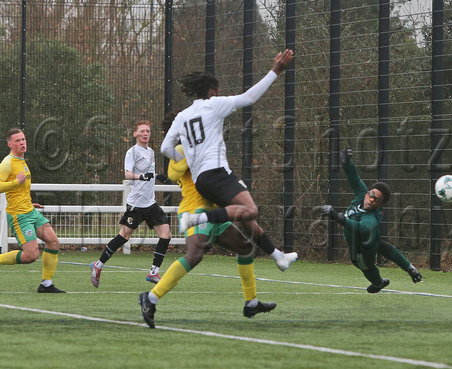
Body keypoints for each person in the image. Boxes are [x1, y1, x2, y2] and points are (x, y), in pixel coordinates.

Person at [160, 49, 297, 272]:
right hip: (217, 174)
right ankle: (197, 219)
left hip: (203, 180)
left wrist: (187, 157)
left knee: (245, 217)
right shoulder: (214, 104)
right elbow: (250, 97)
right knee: (250, 210)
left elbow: (165, 147)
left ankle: (277, 255)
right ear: (212, 91)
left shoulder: (183, 115)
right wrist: (276, 70)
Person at [139, 142, 277, 328]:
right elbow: (174, 173)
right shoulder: (183, 150)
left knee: (245, 248)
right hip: (195, 211)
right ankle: (150, 298)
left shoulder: (202, 147)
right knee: (194, 255)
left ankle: (251, 303)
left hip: (212, 212)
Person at [321, 148, 423, 293]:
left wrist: (338, 217)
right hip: (367, 241)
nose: (372, 199)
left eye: (377, 200)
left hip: (364, 247)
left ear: (380, 205)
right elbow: (353, 177)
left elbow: (362, 228)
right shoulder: (362, 194)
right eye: (372, 194)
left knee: (365, 266)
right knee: (386, 249)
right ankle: (410, 269)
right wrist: (346, 162)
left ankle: (378, 283)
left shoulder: (373, 216)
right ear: (368, 193)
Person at [0, 128, 64, 293]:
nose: (22, 143)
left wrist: (29, 202)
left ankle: (46, 284)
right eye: (18, 140)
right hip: (19, 216)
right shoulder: (8, 163)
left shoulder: (22, 162)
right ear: (10, 144)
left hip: (29, 210)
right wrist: (15, 183)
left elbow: (20, 190)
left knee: (53, 241)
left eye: (23, 139)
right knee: (31, 256)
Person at [90, 120, 171, 287]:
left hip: (150, 203)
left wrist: (157, 175)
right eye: (142, 131)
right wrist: (140, 177)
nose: (145, 134)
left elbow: (147, 171)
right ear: (135, 134)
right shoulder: (132, 152)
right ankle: (98, 266)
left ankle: (154, 272)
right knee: (124, 236)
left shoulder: (151, 152)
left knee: (166, 235)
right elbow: (128, 174)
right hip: (136, 204)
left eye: (148, 131)